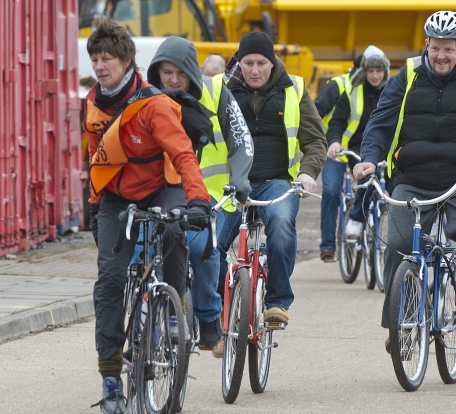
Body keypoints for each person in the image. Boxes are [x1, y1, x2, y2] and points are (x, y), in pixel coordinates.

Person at [353, 10, 456, 350]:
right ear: (427, 44)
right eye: (435, 48)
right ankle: (400, 325)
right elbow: (381, 121)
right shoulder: (407, 74)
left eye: (448, 49)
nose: (441, 56)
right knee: (397, 243)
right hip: (413, 176)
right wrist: (368, 159)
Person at [85, 16, 211, 414]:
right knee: (109, 280)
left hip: (163, 185)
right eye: (95, 59)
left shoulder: (155, 104)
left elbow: (183, 154)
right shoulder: (92, 102)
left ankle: (173, 312)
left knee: (174, 229)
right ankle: (110, 377)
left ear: (126, 62)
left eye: (107, 59)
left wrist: (199, 201)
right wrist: (93, 206)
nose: (100, 67)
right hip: (117, 199)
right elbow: (95, 160)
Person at [146, 36, 253, 357]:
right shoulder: (148, 97)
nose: (174, 79)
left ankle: (208, 317)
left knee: (201, 247)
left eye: (180, 72)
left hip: (215, 196)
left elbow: (241, 140)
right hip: (164, 194)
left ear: (193, 70)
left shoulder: (216, 90)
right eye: (166, 72)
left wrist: (240, 180)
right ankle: (149, 324)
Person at [219, 31, 327, 325]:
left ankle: (277, 301)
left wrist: (307, 172)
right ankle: (217, 309)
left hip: (277, 182)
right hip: (230, 184)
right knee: (211, 242)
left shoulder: (294, 89)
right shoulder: (221, 88)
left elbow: (316, 141)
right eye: (248, 62)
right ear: (238, 62)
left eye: (261, 63)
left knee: (280, 225)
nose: (254, 70)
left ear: (273, 62)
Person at [319, 46, 394, 262]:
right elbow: (336, 122)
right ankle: (328, 245)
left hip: (378, 151)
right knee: (332, 191)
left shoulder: (391, 92)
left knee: (395, 189)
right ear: (364, 72)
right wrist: (332, 142)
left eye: (379, 71)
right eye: (370, 71)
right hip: (344, 151)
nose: (375, 75)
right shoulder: (350, 91)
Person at [316, 55, 362, 262]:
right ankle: (327, 245)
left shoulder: (378, 88)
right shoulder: (338, 85)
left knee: (370, 188)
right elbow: (315, 112)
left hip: (359, 149)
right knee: (332, 191)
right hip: (333, 149)